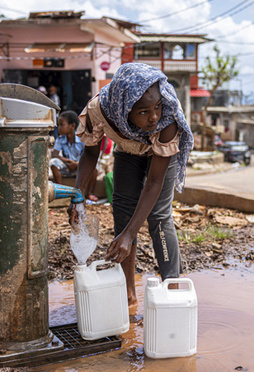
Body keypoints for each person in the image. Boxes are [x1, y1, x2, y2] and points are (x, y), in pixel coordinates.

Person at [70, 63, 194, 305]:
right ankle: (128, 293)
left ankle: (173, 290)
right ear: (124, 108)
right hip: (128, 150)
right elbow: (89, 153)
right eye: (144, 111)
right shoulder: (101, 109)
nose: (153, 116)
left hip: (159, 154)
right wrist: (78, 195)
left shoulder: (166, 120)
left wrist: (130, 235)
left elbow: (155, 181)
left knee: (158, 216)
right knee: (122, 211)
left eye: (156, 107)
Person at [50, 111, 98, 201]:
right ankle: (61, 192)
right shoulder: (60, 139)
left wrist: (76, 164)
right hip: (68, 166)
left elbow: (89, 156)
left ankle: (90, 192)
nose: (58, 128)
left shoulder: (82, 138)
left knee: (95, 166)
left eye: (61, 125)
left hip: (81, 166)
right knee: (53, 163)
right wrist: (68, 161)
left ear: (72, 126)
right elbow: (55, 154)